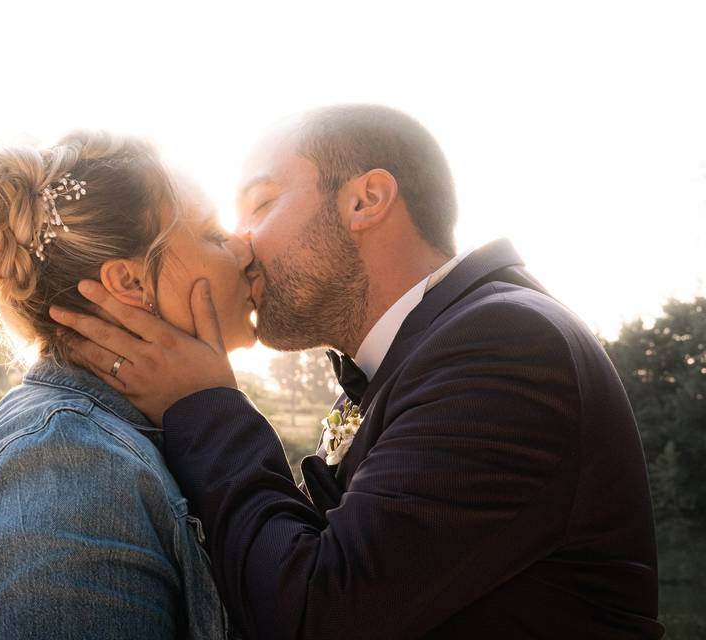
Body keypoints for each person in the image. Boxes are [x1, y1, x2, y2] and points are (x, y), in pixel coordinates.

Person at [52, 105, 665, 639]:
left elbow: (318, 616)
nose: (241, 245)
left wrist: (207, 406)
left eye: (261, 203)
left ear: (365, 201)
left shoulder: (506, 346)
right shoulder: (415, 357)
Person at [0, 131, 255, 639]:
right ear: (130, 284)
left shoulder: (117, 440)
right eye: (214, 236)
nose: (246, 249)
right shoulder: (68, 462)